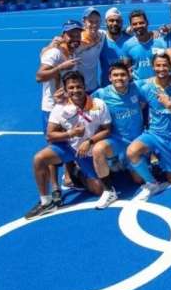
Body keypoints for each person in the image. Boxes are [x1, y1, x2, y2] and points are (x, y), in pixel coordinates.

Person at [25, 71, 112, 219]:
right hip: (69, 147)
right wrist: (70, 134)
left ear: (84, 87)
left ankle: (76, 173)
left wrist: (89, 141)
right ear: (65, 90)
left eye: (78, 86)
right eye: (71, 88)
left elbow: (107, 130)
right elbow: (50, 134)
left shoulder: (98, 104)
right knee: (39, 158)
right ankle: (46, 202)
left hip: (88, 151)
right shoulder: (59, 108)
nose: (75, 90)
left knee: (98, 189)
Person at [127, 53, 171, 201]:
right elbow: (122, 87)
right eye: (158, 65)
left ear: (170, 67)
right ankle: (152, 182)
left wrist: (170, 105)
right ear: (152, 67)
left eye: (164, 65)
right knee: (132, 152)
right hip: (153, 134)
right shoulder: (145, 85)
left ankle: (161, 161)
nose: (161, 68)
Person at [91, 62, 146, 209]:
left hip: (136, 142)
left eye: (123, 75)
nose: (119, 78)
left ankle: (121, 164)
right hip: (117, 142)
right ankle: (109, 191)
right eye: (115, 75)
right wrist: (64, 101)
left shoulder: (137, 88)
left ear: (129, 77)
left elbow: (156, 81)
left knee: (139, 180)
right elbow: (82, 103)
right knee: (98, 149)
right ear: (109, 78)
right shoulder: (101, 94)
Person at [36, 20, 82, 132]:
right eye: (71, 35)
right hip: (52, 107)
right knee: (54, 141)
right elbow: (39, 77)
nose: (75, 38)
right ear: (63, 36)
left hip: (65, 105)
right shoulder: (54, 53)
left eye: (78, 35)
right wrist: (61, 67)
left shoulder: (72, 52)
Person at [123, 9, 168, 80]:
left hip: (159, 86)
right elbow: (126, 67)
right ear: (131, 26)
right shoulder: (127, 45)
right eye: (134, 24)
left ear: (147, 23)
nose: (138, 26)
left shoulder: (160, 41)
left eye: (141, 23)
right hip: (139, 87)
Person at [98, 7, 132, 87]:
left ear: (122, 23)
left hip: (128, 88)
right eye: (111, 20)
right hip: (107, 88)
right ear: (105, 22)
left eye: (118, 21)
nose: (115, 23)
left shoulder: (130, 40)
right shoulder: (99, 40)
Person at [77, 6, 105, 93]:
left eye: (97, 21)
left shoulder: (102, 35)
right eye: (91, 21)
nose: (94, 25)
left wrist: (127, 30)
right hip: (79, 89)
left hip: (94, 87)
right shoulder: (76, 40)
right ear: (84, 22)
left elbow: (115, 34)